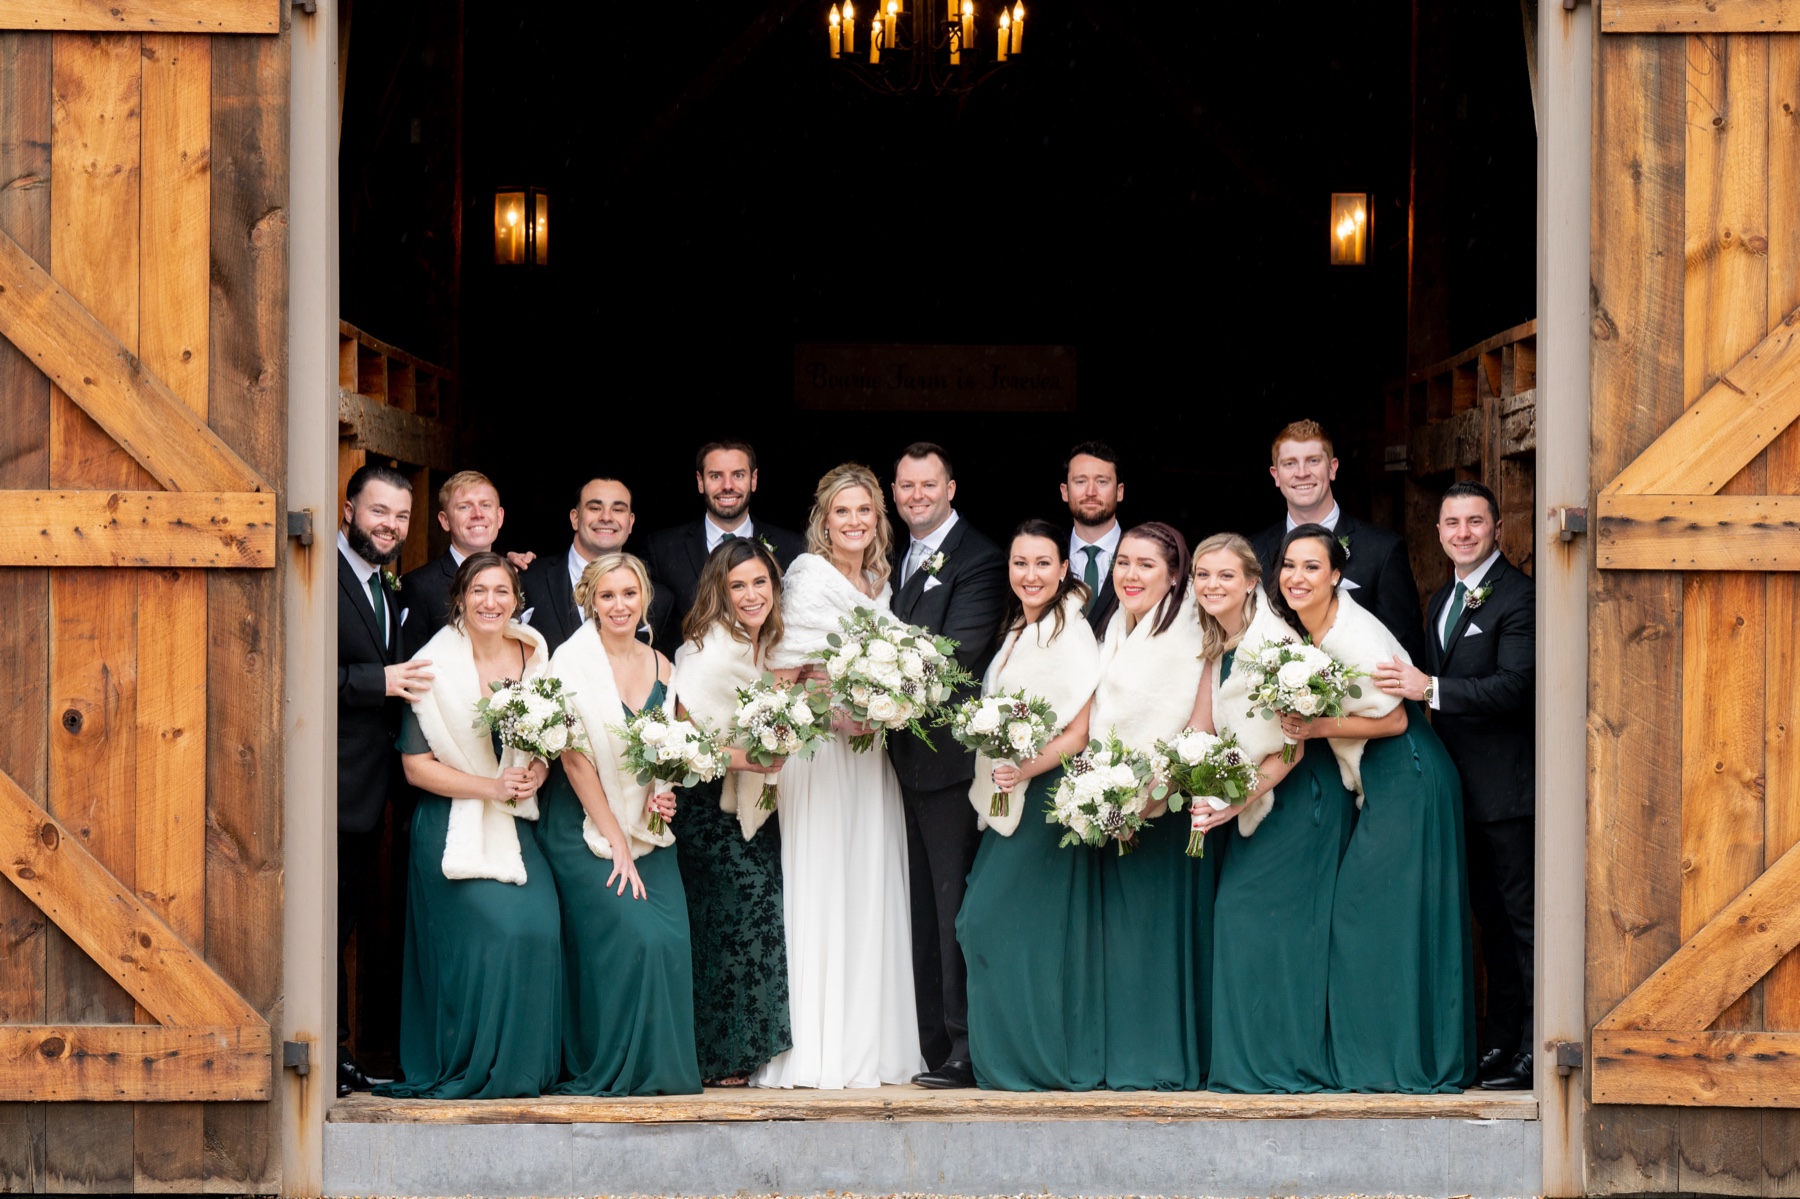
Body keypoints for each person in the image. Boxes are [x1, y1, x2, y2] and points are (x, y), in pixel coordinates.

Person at [1270, 525, 1474, 1093]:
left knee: (1367, 913)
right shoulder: (1311, 631)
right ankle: (1380, 1055)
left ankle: (1391, 1061)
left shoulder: (1352, 634)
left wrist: (1314, 727)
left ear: (1337, 575)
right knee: (1379, 915)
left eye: (1313, 567)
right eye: (1290, 565)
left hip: (1405, 770)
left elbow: (1396, 719)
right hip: (1384, 778)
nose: (1297, 577)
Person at [751, 463, 924, 1089]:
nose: (854, 522)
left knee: (870, 883)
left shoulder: (881, 581)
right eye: (842, 512)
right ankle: (818, 1049)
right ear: (824, 521)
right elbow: (780, 680)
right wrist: (835, 716)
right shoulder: (806, 578)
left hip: (871, 757)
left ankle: (872, 1047)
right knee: (823, 885)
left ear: (879, 520)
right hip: (820, 757)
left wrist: (884, 708)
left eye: (865, 512)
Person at [373, 553, 563, 1100]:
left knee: (540, 929)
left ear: (517, 599)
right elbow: (414, 768)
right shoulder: (432, 666)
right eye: (479, 591)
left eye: (501, 591)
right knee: (499, 933)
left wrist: (535, 773)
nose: (490, 602)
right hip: (451, 822)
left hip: (517, 822)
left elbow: (550, 740)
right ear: (460, 598)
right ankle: (474, 1062)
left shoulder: (534, 654)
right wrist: (490, 788)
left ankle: (525, 1070)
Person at [1372, 480, 1535, 1091]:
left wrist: (1429, 691)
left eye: (1474, 522)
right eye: (1451, 523)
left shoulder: (1519, 596)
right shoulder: (1443, 596)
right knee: (1487, 922)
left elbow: (1516, 685)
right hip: (1459, 791)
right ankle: (1499, 1041)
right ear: (1438, 532)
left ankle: (1531, 1049)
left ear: (1496, 528)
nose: (1462, 533)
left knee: (1523, 922)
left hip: (1508, 792)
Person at [539, 553, 703, 1096]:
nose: (619, 605)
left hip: (647, 828)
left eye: (628, 594)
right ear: (589, 599)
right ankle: (615, 1067)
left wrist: (665, 794)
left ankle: (662, 1073)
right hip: (583, 825)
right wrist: (615, 840)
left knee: (671, 939)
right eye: (606, 595)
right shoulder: (569, 662)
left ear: (644, 598)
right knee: (639, 935)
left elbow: (673, 749)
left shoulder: (663, 666)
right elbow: (574, 758)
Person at [1189, 533, 1345, 1093]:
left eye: (1225, 575)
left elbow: (1291, 746)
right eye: (1203, 575)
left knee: (1263, 925)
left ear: (1253, 580)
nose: (1212, 585)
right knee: (1245, 925)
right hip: (1251, 797)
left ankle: (1278, 1066)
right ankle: (1247, 1065)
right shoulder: (1219, 638)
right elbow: (1202, 724)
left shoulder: (1273, 643)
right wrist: (1179, 776)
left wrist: (1231, 803)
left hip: (1294, 800)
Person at [954, 520, 1105, 1091]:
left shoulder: (1071, 633)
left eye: (1043, 563)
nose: (1031, 574)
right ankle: (1014, 1060)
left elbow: (1079, 731)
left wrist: (1025, 768)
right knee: (992, 925)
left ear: (1064, 569)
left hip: (1044, 796)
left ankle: (1034, 1063)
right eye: (1021, 563)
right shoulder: (1023, 626)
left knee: (994, 922)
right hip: (1010, 792)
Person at [886, 442, 1007, 1089]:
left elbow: (957, 656)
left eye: (927, 485)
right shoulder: (893, 558)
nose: (915, 496)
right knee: (915, 909)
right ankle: (928, 1040)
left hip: (948, 764)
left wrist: (871, 683)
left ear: (951, 488)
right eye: (905, 486)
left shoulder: (980, 559)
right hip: (894, 763)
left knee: (949, 904)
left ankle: (964, 1047)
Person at [1091, 521, 1214, 1090]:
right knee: (1124, 942)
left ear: (1173, 574)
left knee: (1159, 940)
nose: (1130, 575)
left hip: (1164, 811)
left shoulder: (1188, 630)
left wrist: (1154, 792)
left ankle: (1164, 1063)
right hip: (1116, 809)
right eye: (1123, 563)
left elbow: (1194, 722)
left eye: (1145, 565)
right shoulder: (1116, 624)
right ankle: (1127, 1058)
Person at [670, 539, 792, 1085]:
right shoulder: (709, 651)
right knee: (739, 913)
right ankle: (720, 1056)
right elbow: (684, 744)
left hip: (749, 806)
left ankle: (745, 1051)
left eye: (759, 582)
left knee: (757, 913)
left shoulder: (766, 646)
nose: (750, 594)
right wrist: (756, 755)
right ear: (719, 591)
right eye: (737, 585)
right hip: (704, 812)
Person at [336, 463, 431, 1097]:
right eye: (378, 513)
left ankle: (342, 1052)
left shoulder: (384, 585)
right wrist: (383, 681)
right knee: (324, 925)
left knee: (345, 923)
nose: (391, 527)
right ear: (348, 509)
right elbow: (292, 664)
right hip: (332, 788)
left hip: (371, 794)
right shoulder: (325, 576)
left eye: (400, 516)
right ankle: (330, 1056)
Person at [1249, 420, 1426, 662]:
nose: (1302, 472)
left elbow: (1406, 651)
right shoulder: (1253, 552)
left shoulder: (1382, 550)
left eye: (1313, 461)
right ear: (1276, 475)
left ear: (1332, 468)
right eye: (1290, 463)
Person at [645, 439, 805, 659]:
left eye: (738, 475)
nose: (727, 485)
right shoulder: (662, 549)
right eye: (716, 476)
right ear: (700, 481)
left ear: (754, 479)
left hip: (770, 680)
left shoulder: (793, 547)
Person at [523, 476, 672, 654]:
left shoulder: (660, 600)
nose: (606, 517)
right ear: (575, 518)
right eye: (595, 508)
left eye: (618, 509)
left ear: (631, 522)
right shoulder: (528, 579)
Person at [400, 470, 536, 656]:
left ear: (500, 517)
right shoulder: (419, 587)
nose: (477, 514)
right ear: (445, 521)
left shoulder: (523, 576)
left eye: (485, 505)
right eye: (464, 507)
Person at [1061, 441, 1124, 635]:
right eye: (1080, 481)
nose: (1090, 492)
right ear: (1064, 491)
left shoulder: (1148, 556)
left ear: (1119, 491)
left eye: (1102, 481)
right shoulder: (1047, 558)